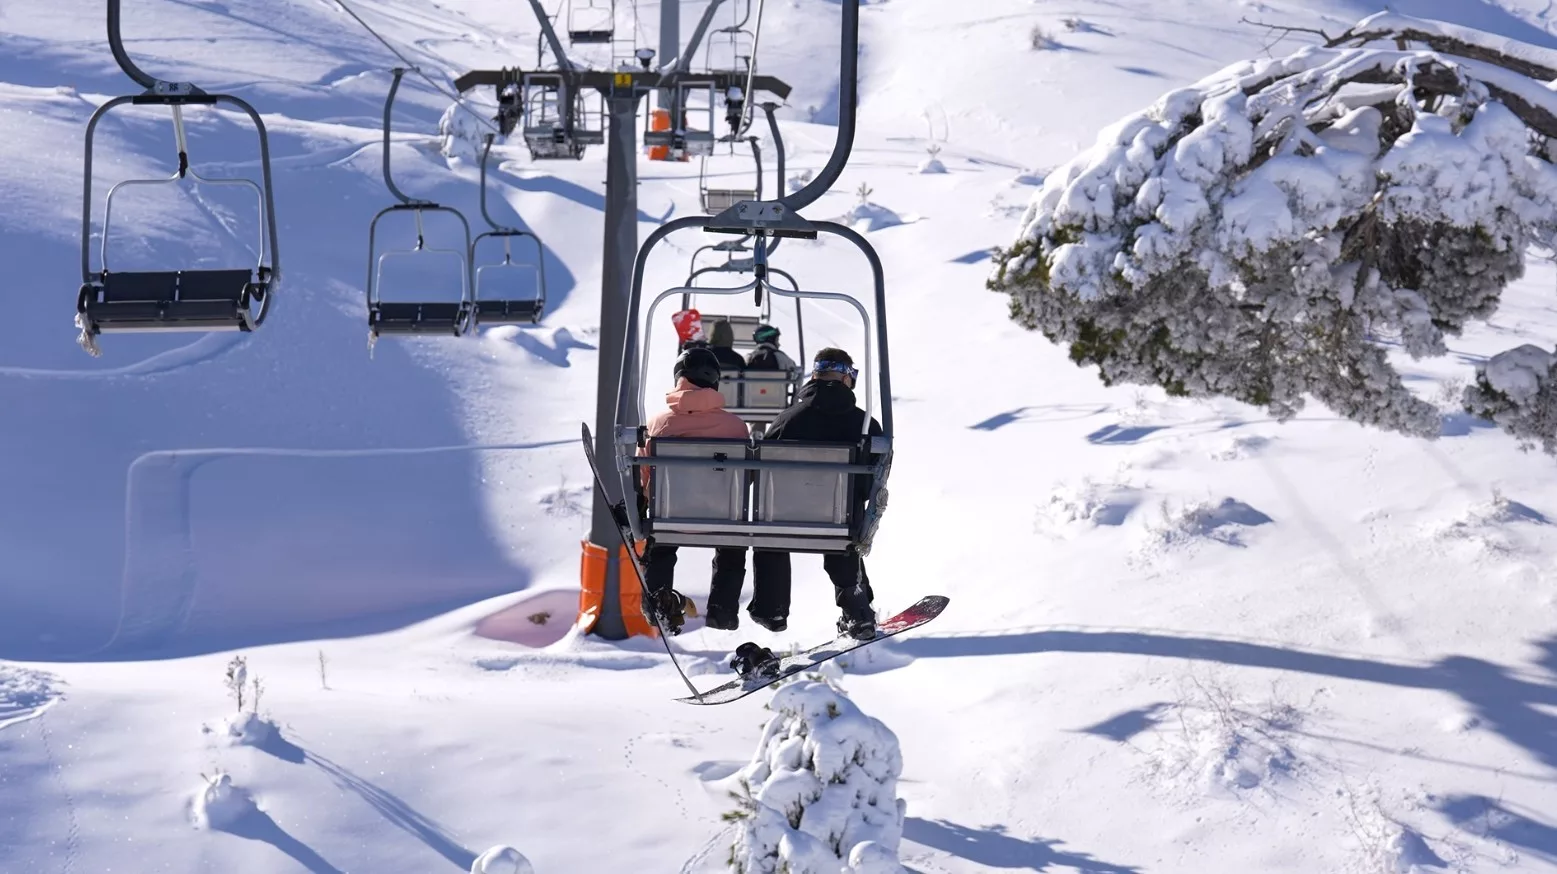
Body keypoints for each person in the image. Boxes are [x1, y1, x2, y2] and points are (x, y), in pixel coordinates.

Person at [747, 347, 883, 640]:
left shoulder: (786, 420)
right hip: (840, 519)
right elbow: (875, 478)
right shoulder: (866, 425)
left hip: (783, 517)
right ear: (846, 378)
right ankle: (857, 609)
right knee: (844, 530)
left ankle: (772, 608)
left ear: (815, 376)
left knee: (770, 533)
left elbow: (760, 470)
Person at [638, 346, 751, 633]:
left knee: (660, 542)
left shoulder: (657, 424)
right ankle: (722, 610)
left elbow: (642, 475)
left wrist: (647, 499)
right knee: (732, 547)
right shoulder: (736, 427)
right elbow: (746, 475)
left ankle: (658, 602)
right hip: (723, 517)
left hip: (669, 516)